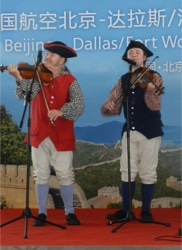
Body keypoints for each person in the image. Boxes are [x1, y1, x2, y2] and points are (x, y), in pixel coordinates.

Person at [7, 41, 84, 226]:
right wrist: (18, 77)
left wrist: (62, 111)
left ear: (62, 59)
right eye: (47, 54)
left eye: (52, 55)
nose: (47, 57)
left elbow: (79, 105)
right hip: (38, 133)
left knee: (65, 174)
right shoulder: (36, 77)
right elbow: (24, 95)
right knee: (40, 174)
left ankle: (69, 212)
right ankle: (41, 212)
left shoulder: (71, 82)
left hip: (62, 134)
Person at [101, 40, 164, 222]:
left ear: (144, 57)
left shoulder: (154, 76)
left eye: (137, 52)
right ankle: (126, 210)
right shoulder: (123, 80)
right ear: (127, 57)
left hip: (150, 131)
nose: (134, 54)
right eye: (131, 52)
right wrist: (108, 106)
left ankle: (146, 211)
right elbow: (112, 106)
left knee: (148, 171)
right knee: (126, 171)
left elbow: (154, 106)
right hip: (130, 131)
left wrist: (150, 90)